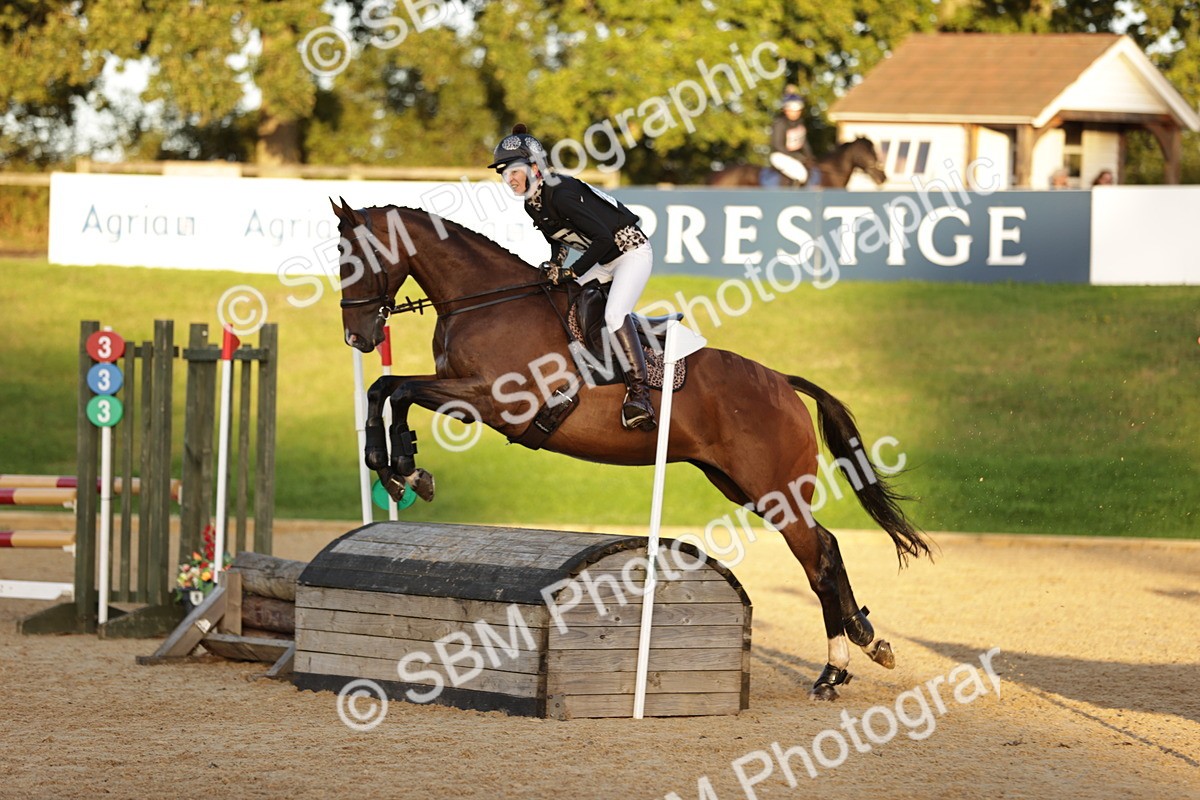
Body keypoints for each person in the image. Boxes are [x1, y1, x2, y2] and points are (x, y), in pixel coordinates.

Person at [488, 124, 657, 431]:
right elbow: (559, 239)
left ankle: (639, 396)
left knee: (615, 313)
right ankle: (588, 362)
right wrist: (556, 264)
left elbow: (604, 239)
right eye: (503, 173)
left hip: (630, 252)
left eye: (513, 170)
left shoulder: (561, 192)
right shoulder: (532, 201)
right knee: (562, 298)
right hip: (605, 260)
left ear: (534, 167)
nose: (509, 179)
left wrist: (572, 271)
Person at [769, 88, 816, 187]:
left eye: (797, 111)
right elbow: (778, 145)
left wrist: (810, 157)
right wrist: (795, 156)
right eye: (792, 110)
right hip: (779, 156)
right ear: (786, 110)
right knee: (801, 174)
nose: (795, 113)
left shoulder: (800, 123)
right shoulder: (780, 123)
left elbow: (804, 143)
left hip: (794, 156)